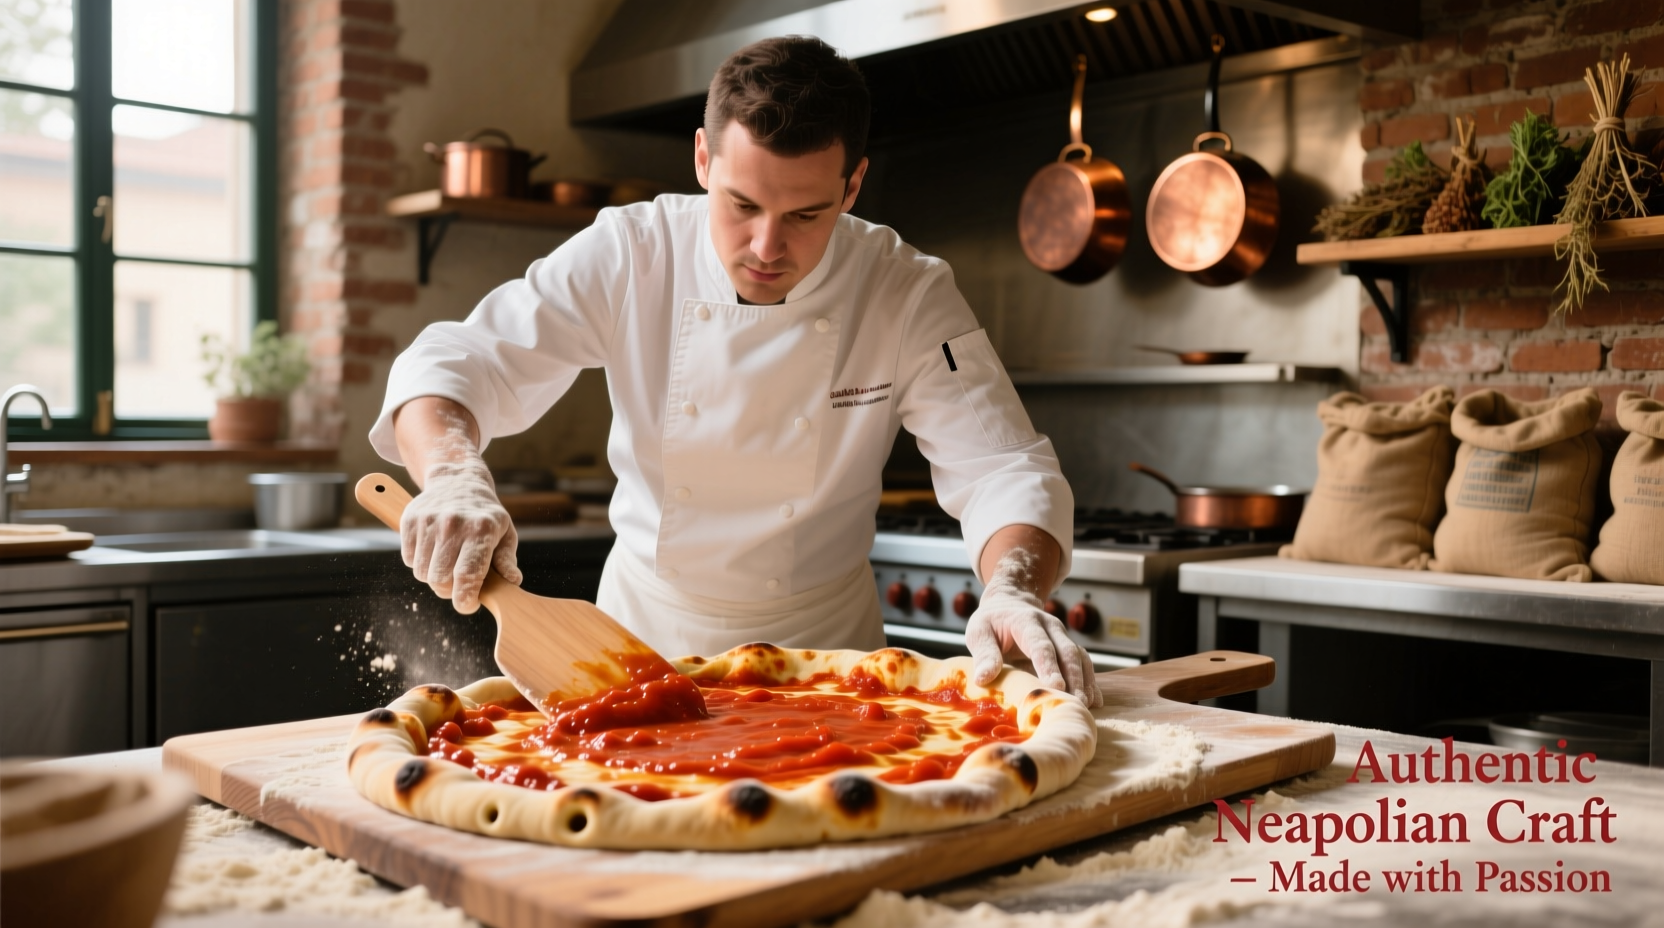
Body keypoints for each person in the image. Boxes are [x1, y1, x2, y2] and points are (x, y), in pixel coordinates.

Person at [370, 36, 1099, 705]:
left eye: (808, 215)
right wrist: (453, 474)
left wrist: (1012, 592)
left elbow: (1002, 466)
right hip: (635, 648)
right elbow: (456, 364)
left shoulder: (903, 290)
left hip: (828, 666)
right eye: (741, 204)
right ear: (701, 160)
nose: (766, 245)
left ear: (852, 187)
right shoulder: (633, 251)